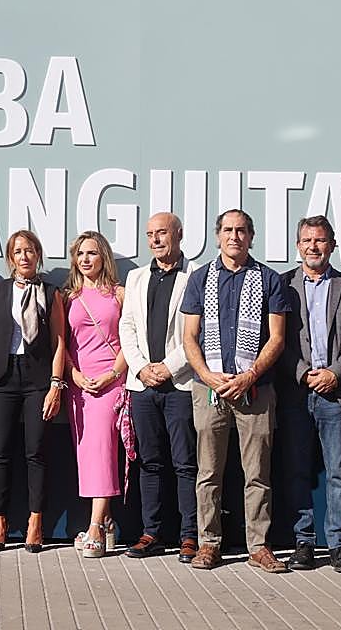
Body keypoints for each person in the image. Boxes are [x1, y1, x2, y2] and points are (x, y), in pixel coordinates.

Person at [182, 208, 289, 573]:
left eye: (241, 230)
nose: (234, 236)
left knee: (257, 473)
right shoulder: (199, 279)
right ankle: (209, 543)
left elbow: (277, 338)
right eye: (227, 230)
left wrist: (250, 375)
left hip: (255, 391)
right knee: (208, 472)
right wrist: (208, 376)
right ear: (217, 236)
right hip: (209, 389)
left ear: (251, 236)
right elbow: (189, 337)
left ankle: (258, 546)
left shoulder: (270, 280)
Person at [276, 215, 341, 573]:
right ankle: (303, 542)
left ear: (332, 245)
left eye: (321, 241)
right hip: (296, 392)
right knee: (298, 471)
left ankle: (339, 544)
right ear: (298, 246)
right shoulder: (282, 286)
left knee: (339, 471)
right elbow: (275, 340)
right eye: (307, 240)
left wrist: (333, 373)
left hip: (336, 392)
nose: (314, 246)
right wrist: (303, 374)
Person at [119, 212, 199, 563]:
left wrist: (168, 367)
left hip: (180, 384)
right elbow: (127, 328)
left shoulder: (196, 276)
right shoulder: (136, 277)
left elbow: (197, 332)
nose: (155, 240)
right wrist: (140, 368)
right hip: (142, 386)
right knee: (149, 462)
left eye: (162, 233)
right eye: (150, 234)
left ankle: (189, 536)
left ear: (179, 235)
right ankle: (151, 532)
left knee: (185, 464)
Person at [0, 229, 66, 554]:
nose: (24, 256)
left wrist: (56, 384)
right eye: (18, 251)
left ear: (38, 255)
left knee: (36, 452)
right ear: (10, 257)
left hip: (37, 379)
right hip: (4, 378)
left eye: (30, 250)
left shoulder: (51, 292)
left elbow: (60, 341)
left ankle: (36, 521)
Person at [65, 230, 127, 559]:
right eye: (80, 254)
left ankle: (93, 528)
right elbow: (64, 345)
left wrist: (111, 374)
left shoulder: (119, 294)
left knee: (103, 451)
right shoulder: (70, 297)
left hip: (111, 381)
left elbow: (129, 340)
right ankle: (108, 522)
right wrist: (75, 375)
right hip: (80, 385)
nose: (86, 259)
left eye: (92, 253)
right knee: (87, 453)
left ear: (103, 256)